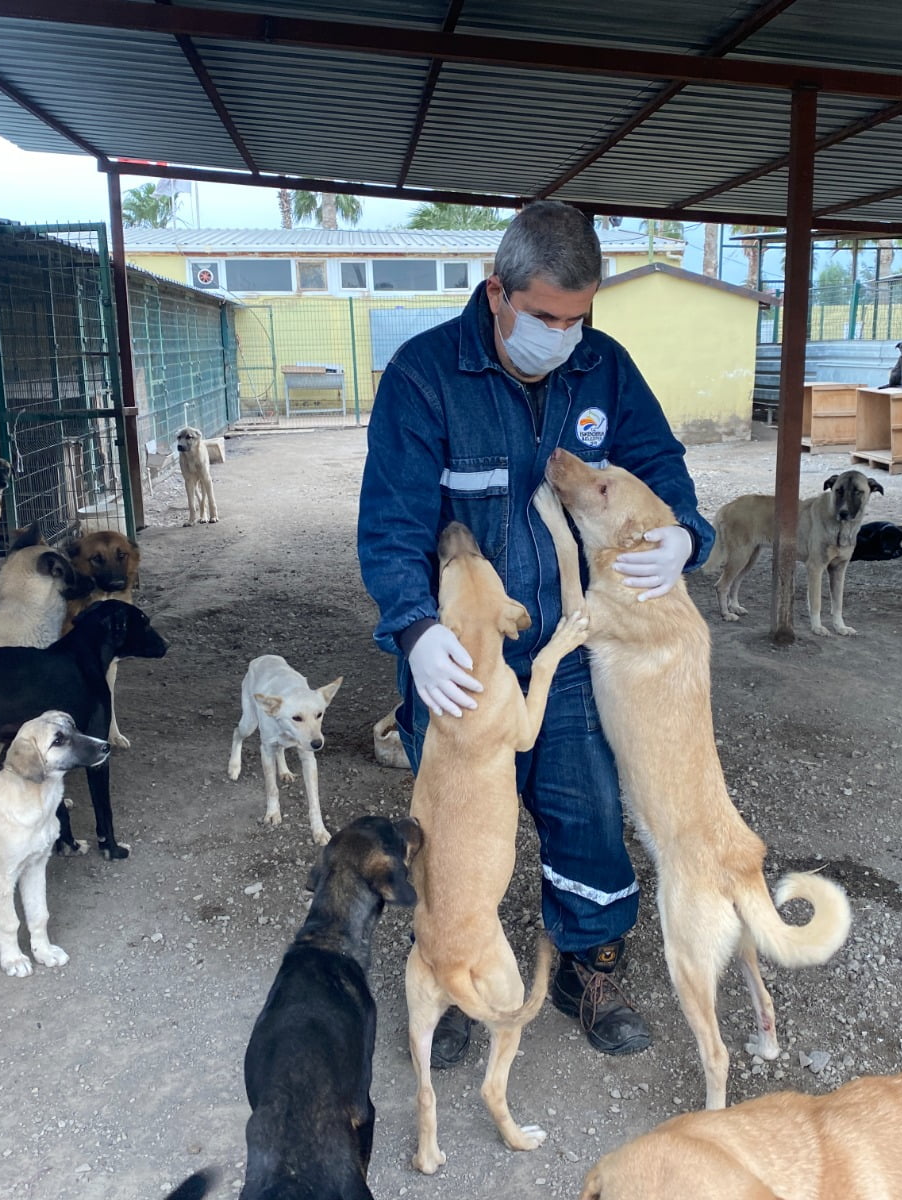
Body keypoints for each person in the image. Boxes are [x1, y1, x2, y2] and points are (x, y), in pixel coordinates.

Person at [356, 200, 715, 1063]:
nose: (563, 334)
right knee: (446, 832)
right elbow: (392, 523)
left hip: (565, 650)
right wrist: (412, 630)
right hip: (463, 662)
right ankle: (446, 972)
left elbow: (660, 466)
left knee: (585, 806)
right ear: (498, 293)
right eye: (546, 315)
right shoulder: (424, 376)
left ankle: (588, 965)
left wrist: (683, 534)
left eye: (577, 315)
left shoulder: (605, 370)